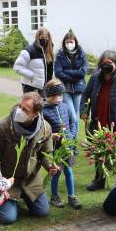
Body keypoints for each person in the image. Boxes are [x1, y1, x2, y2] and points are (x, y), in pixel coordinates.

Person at [0, 92, 59, 224]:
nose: (19, 111)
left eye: (25, 110)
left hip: (30, 180)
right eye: (20, 106)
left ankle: (21, 198)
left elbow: (45, 154)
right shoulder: (2, 126)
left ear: (35, 114)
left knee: (42, 212)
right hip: (8, 180)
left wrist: (50, 165)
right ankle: (12, 201)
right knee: (8, 218)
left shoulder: (45, 128)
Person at [81, 50, 116, 190]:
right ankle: (99, 180)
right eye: (103, 63)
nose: (105, 66)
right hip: (98, 123)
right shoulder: (95, 78)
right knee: (99, 152)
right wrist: (84, 111)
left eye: (109, 63)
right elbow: (85, 95)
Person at [42, 79, 82, 209]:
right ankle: (54, 196)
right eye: (54, 96)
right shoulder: (44, 111)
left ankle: (72, 196)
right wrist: (51, 136)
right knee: (56, 172)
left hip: (67, 147)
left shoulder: (65, 107)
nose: (58, 98)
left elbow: (73, 122)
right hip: (55, 149)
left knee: (69, 171)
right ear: (48, 96)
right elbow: (42, 130)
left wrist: (71, 136)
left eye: (60, 95)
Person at [54, 30, 87, 138]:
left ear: (75, 42)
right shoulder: (60, 54)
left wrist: (67, 72)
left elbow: (83, 72)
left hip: (78, 88)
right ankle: (71, 138)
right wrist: (73, 76)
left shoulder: (81, 54)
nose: (69, 44)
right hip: (65, 88)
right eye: (67, 42)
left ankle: (74, 140)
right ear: (64, 42)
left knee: (76, 115)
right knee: (72, 115)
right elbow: (58, 72)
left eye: (71, 42)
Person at [13, 27, 54, 95]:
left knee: (44, 105)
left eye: (47, 37)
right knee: (29, 105)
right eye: (42, 37)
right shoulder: (29, 50)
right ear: (37, 37)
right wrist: (33, 75)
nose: (45, 39)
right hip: (30, 87)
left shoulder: (48, 51)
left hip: (44, 87)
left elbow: (49, 71)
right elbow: (17, 67)